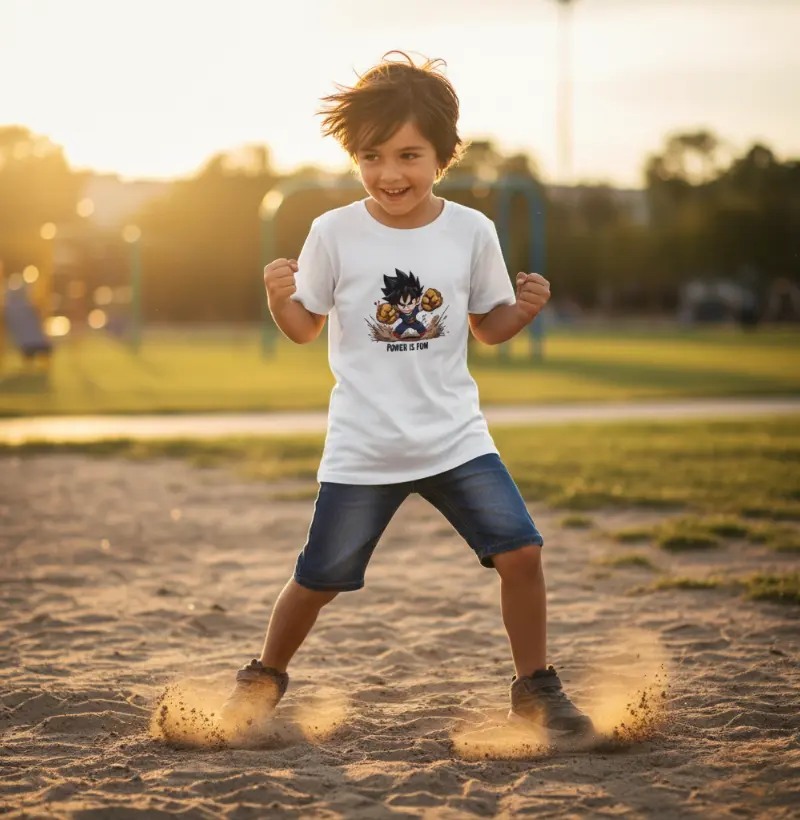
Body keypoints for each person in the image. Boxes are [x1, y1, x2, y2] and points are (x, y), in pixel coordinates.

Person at [222, 52, 593, 740]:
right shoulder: (333, 232)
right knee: (320, 577)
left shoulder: (471, 233)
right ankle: (262, 677)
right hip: (365, 445)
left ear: (444, 157)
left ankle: (536, 690)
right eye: (371, 156)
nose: (390, 174)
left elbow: (488, 329)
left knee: (522, 553)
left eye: (409, 155)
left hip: (455, 437)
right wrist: (279, 300)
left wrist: (526, 309)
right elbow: (304, 330)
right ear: (353, 157)